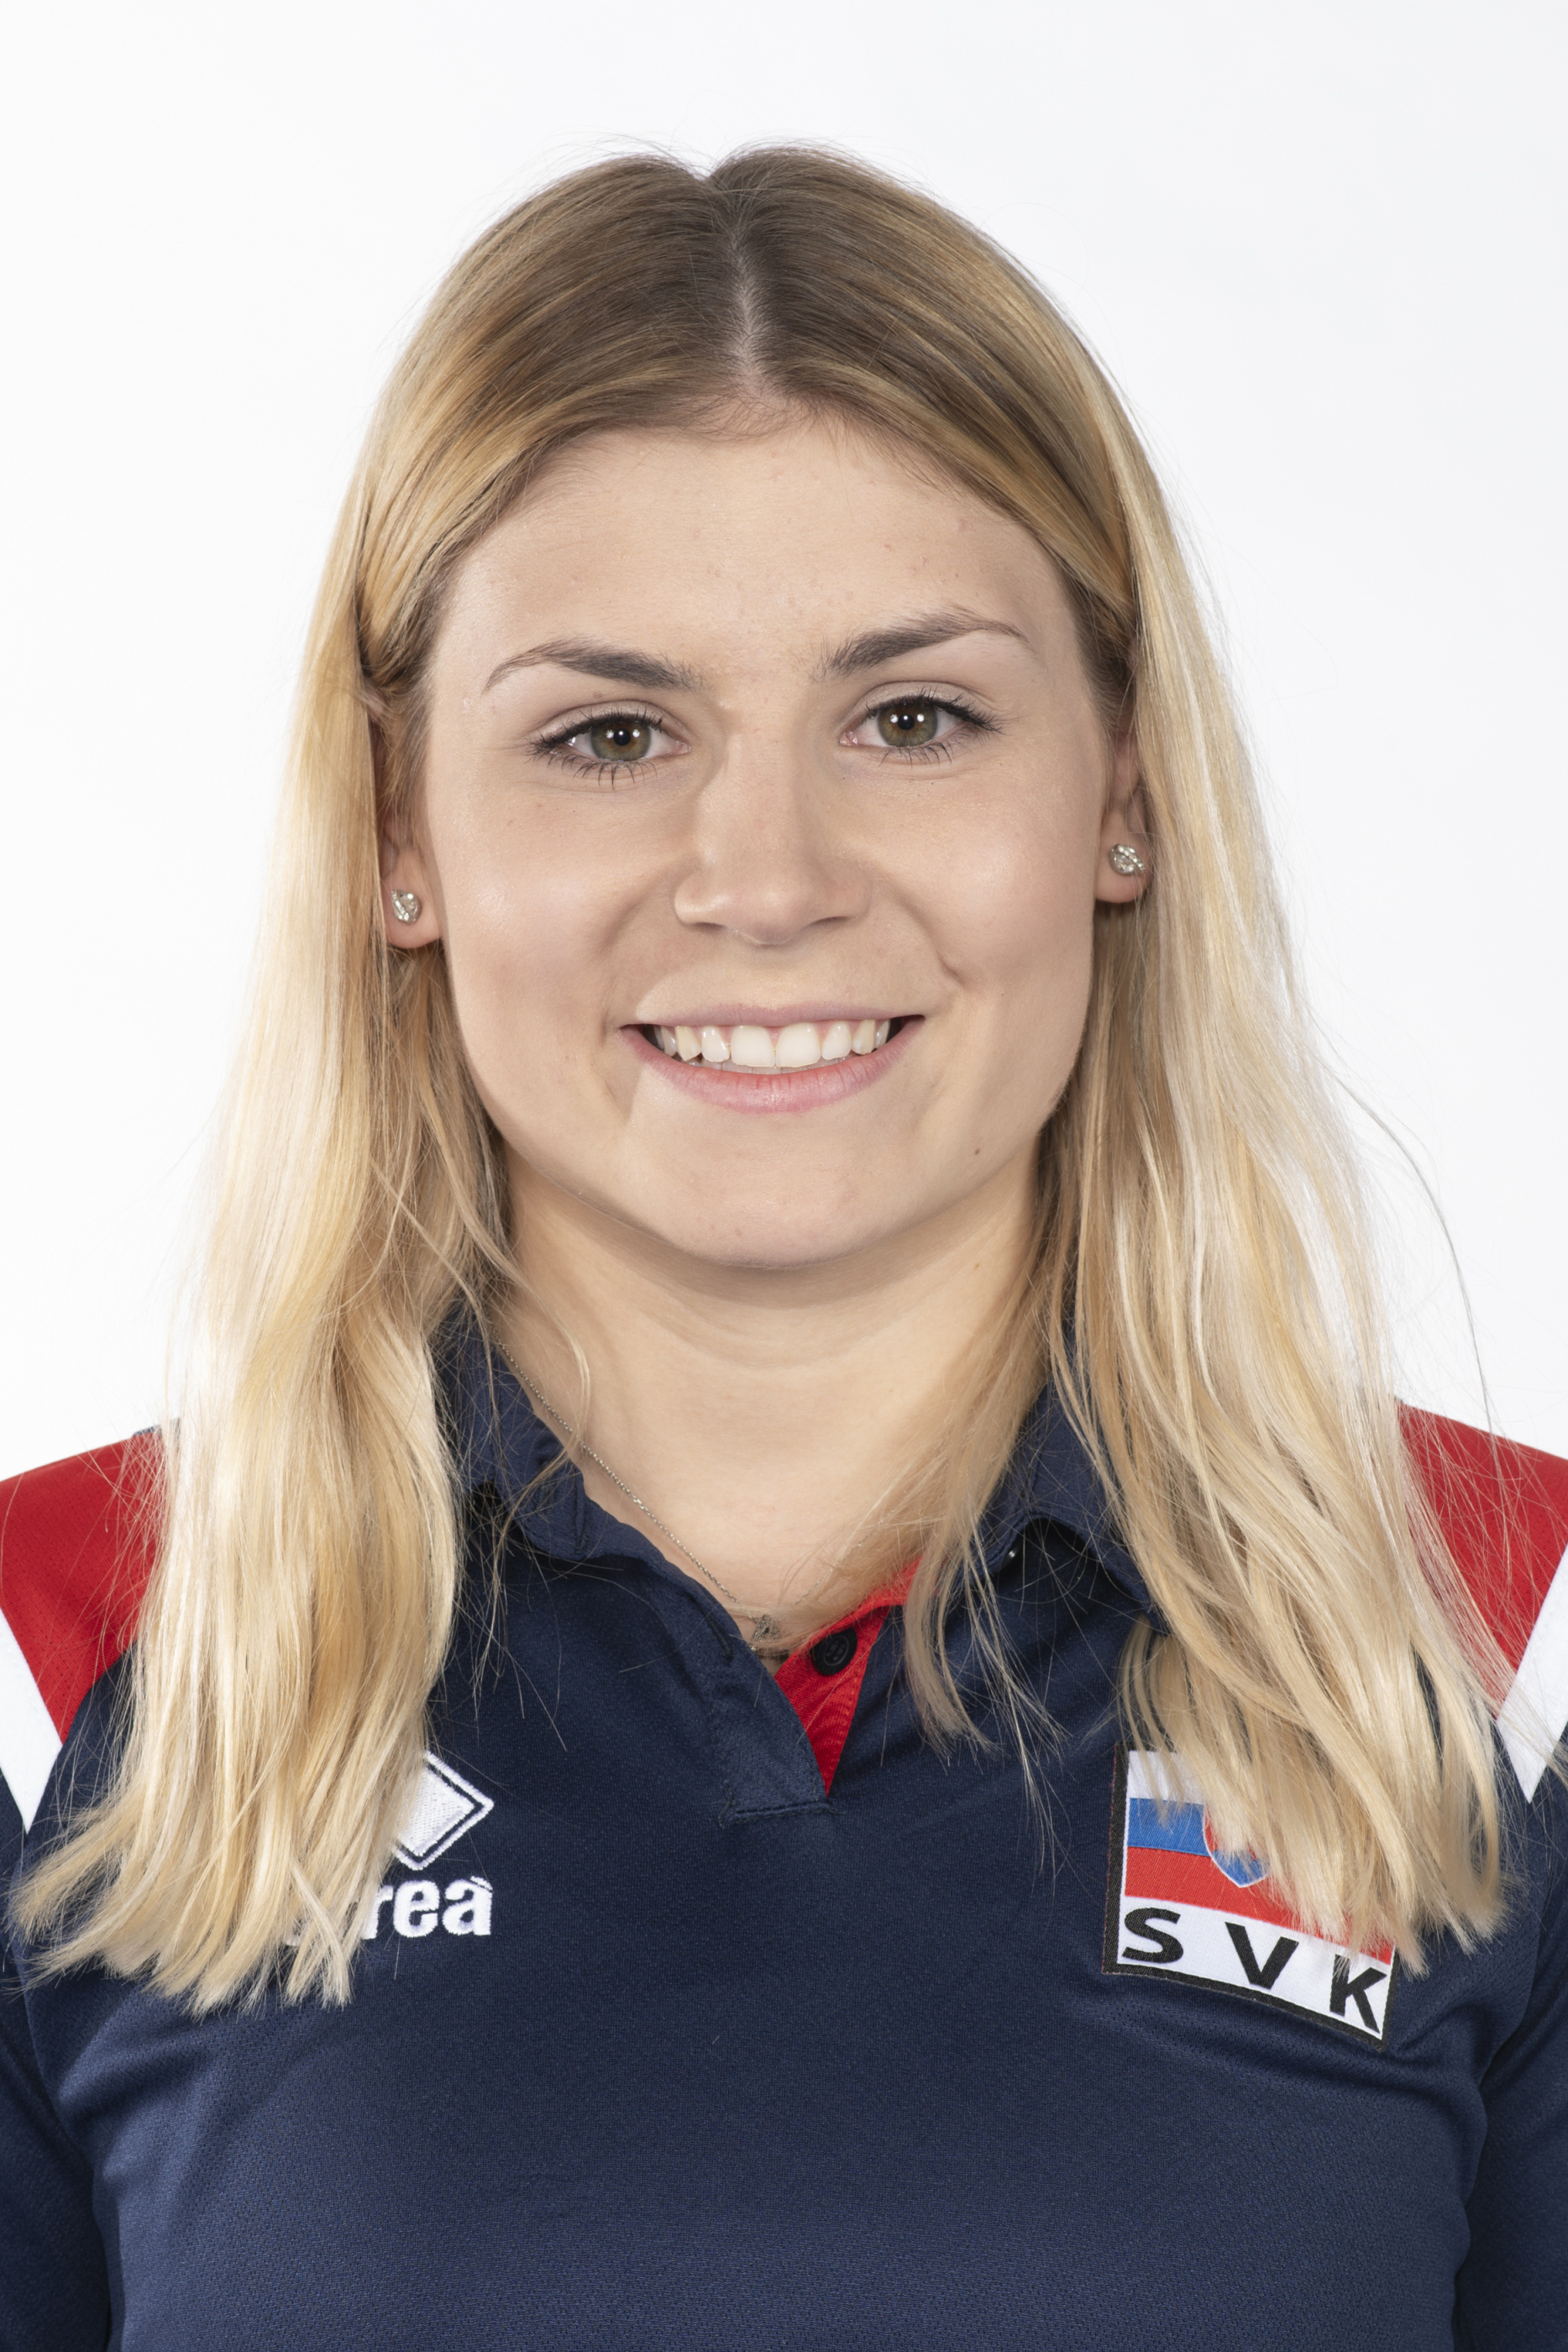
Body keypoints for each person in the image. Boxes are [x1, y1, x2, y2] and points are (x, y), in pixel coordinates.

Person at [2, 147, 1565, 2351]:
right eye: (608, 735)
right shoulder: (52, 1665)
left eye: (912, 719)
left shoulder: (1508, 1646)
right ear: (398, 832)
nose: (764, 876)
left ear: (1122, 792)